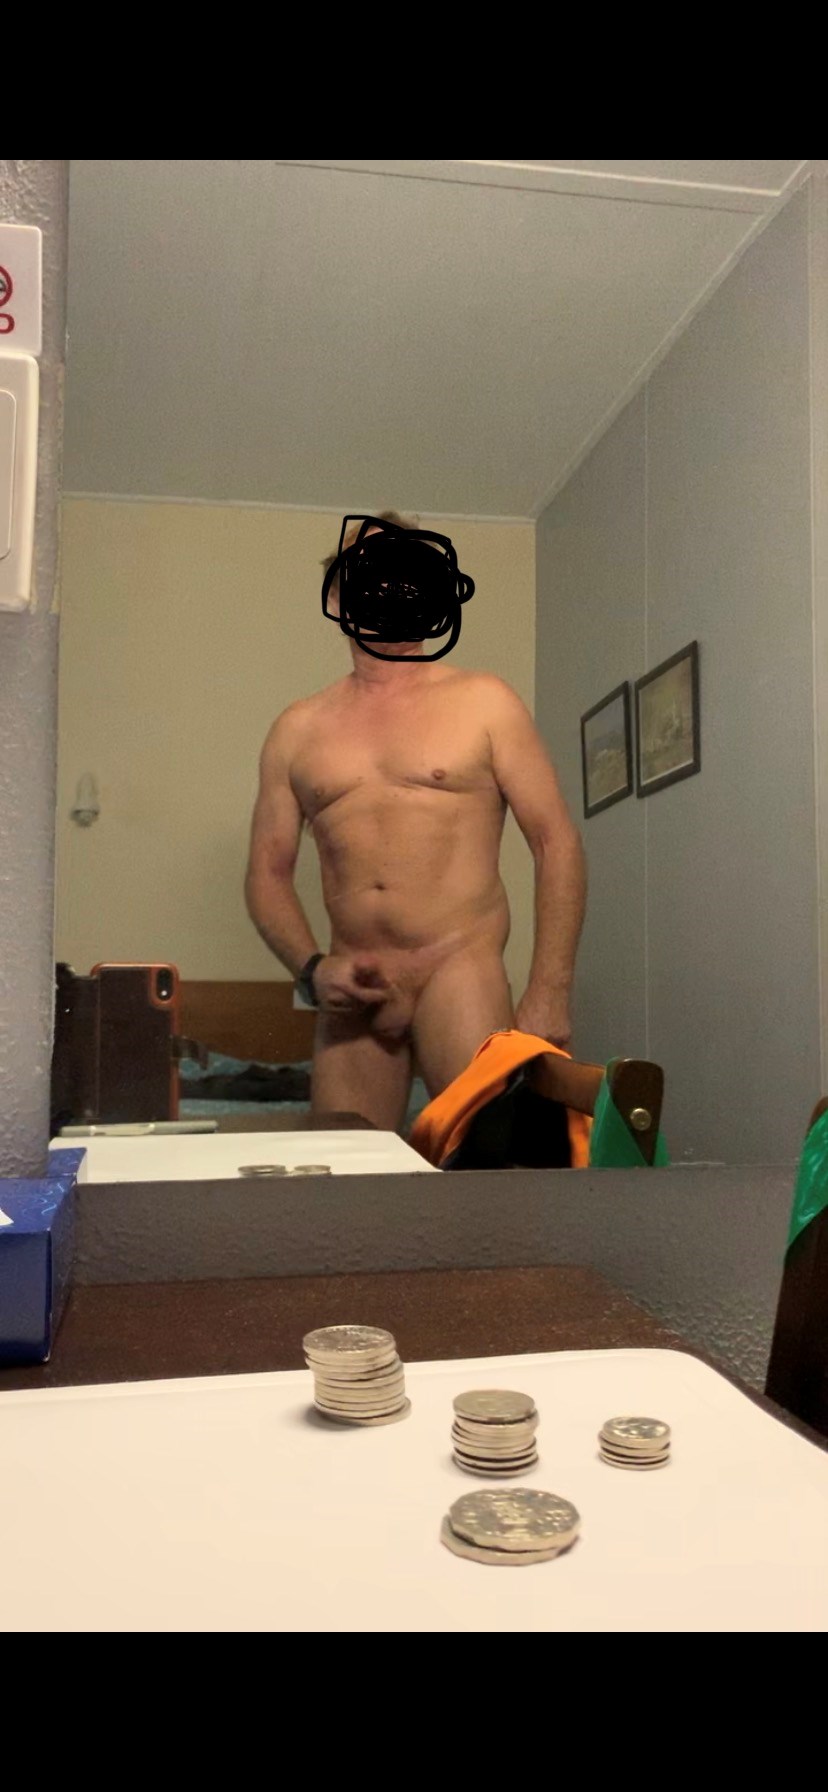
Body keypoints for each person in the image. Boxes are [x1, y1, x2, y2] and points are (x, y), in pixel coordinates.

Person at [245, 511, 587, 1130]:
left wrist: (549, 989)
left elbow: (554, 841)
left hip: (458, 966)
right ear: (336, 596)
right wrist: (313, 971)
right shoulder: (296, 730)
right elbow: (267, 873)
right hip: (358, 984)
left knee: (485, 1168)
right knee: (343, 1176)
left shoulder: (484, 701)